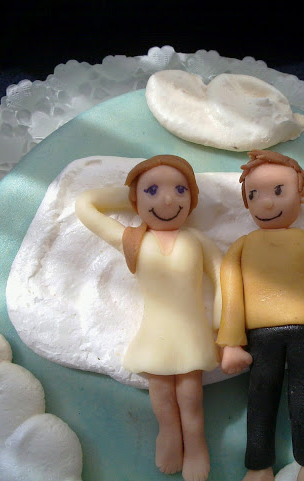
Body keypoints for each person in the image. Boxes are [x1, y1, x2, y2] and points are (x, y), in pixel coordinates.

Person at [75, 155, 222, 481]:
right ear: (136, 199)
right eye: (153, 190)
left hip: (191, 331)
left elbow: (221, 273)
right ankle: (168, 434)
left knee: (191, 396)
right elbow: (86, 205)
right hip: (155, 332)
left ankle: (196, 444)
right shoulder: (134, 241)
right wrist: (133, 196)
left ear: (192, 198)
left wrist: (222, 321)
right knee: (162, 393)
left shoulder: (196, 240)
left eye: (180, 190)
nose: (168, 200)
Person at [217, 150, 304, 481]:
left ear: (301, 194)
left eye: (279, 191)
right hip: (261, 338)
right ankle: (258, 466)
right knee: (260, 401)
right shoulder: (241, 247)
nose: (266, 203)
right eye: (254, 194)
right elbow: (232, 295)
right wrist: (231, 343)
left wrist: (299, 180)